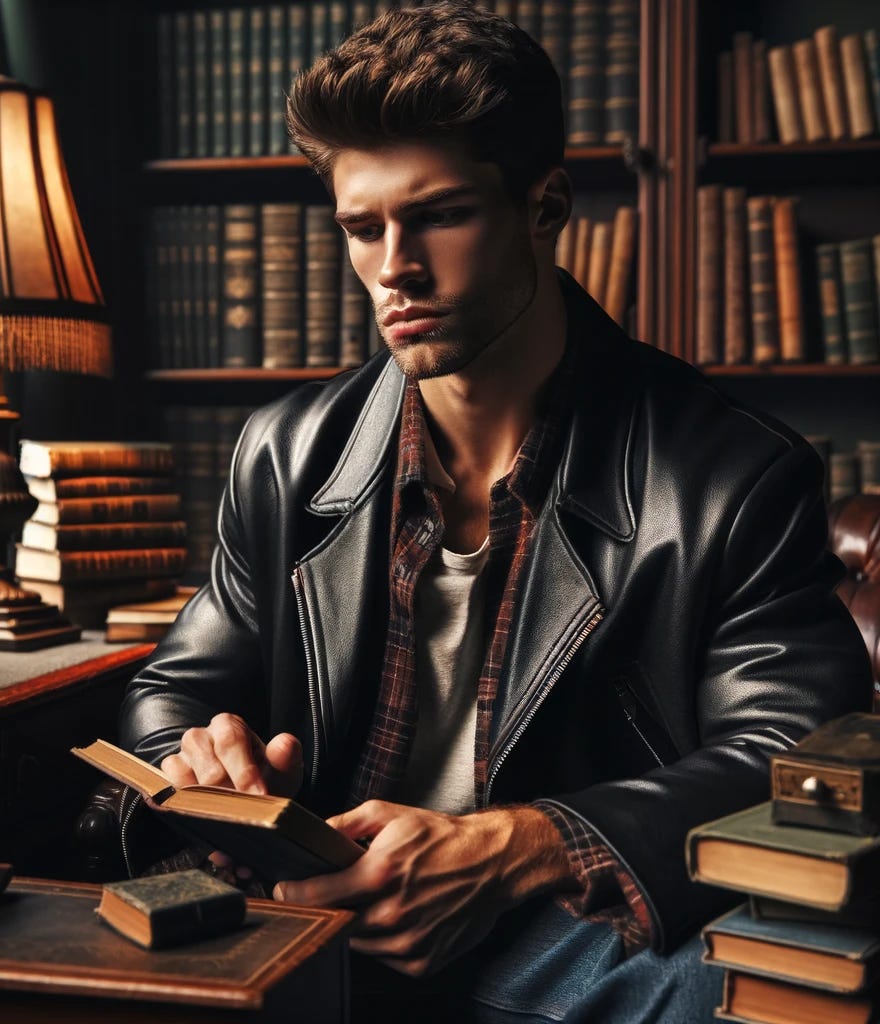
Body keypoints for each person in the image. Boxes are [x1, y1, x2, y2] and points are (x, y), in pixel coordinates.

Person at [120, 4, 871, 1020]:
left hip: (561, 933)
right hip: (310, 916)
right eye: (360, 227)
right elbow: (172, 689)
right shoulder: (285, 453)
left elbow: (790, 752)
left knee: (731, 988)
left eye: (436, 215)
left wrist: (519, 844)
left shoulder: (730, 472)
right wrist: (200, 759)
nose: (395, 268)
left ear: (544, 205)